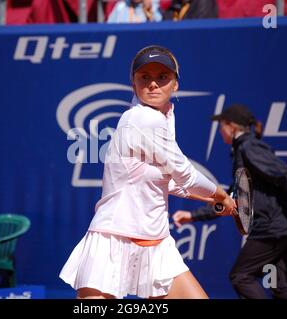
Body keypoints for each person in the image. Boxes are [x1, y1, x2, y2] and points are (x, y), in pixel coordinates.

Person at [59, 45, 236, 299]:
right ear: (134, 84)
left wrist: (215, 199)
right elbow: (184, 173)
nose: (153, 84)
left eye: (162, 77)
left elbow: (168, 182)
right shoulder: (142, 119)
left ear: (175, 84)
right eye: (145, 77)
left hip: (156, 244)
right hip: (114, 239)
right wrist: (221, 195)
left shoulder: (164, 119)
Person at [173, 104, 287, 299]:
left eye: (221, 126)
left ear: (231, 126)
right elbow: (232, 200)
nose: (220, 131)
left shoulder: (249, 147)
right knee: (281, 288)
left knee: (241, 276)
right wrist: (193, 216)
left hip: (274, 229)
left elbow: (283, 173)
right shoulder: (243, 149)